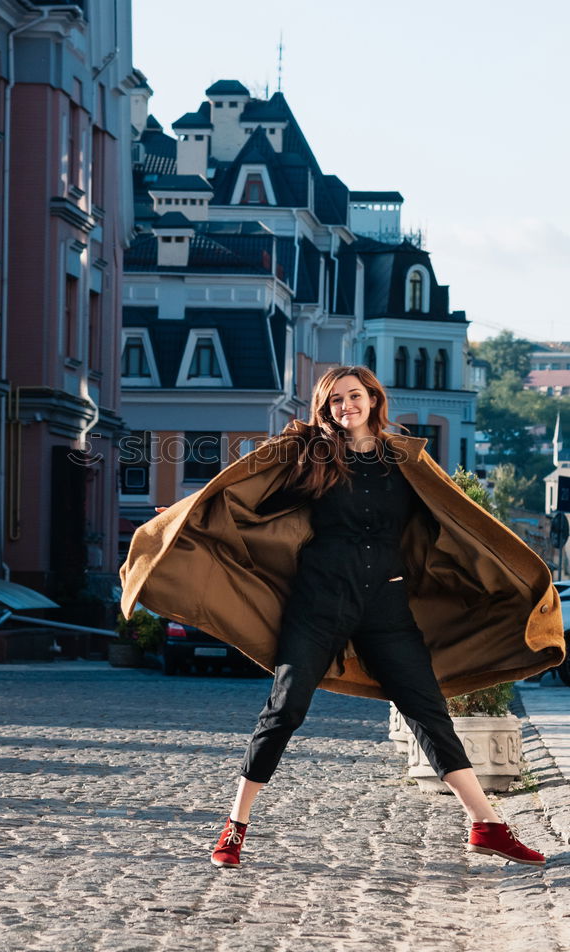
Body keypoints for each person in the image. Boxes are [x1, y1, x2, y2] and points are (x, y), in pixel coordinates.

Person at [208, 366, 546, 869]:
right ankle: (235, 827)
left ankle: (488, 826)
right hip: (319, 603)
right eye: (336, 400)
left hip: (385, 606)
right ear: (326, 409)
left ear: (373, 398)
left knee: (428, 712)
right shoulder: (313, 458)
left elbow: (450, 519)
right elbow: (253, 503)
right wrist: (192, 519)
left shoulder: (405, 461)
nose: (347, 406)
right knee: (285, 711)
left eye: (355, 396)